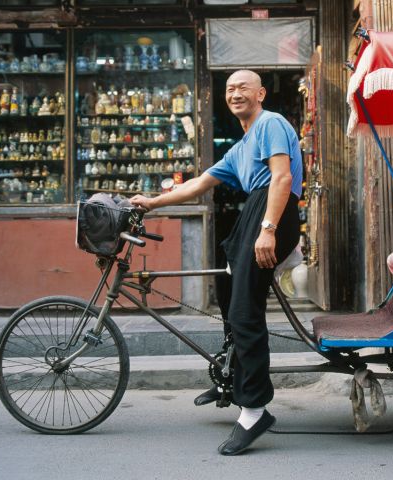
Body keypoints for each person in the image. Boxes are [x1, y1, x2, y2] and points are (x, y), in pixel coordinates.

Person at [130, 69, 302, 455]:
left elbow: (282, 178)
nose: (234, 93)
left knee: (245, 310)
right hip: (254, 211)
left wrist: (268, 229)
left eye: (242, 87)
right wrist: (153, 203)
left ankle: (255, 409)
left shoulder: (271, 123)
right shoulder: (240, 148)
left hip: (271, 209)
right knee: (227, 289)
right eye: (229, 89)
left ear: (260, 93)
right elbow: (198, 184)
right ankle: (233, 376)